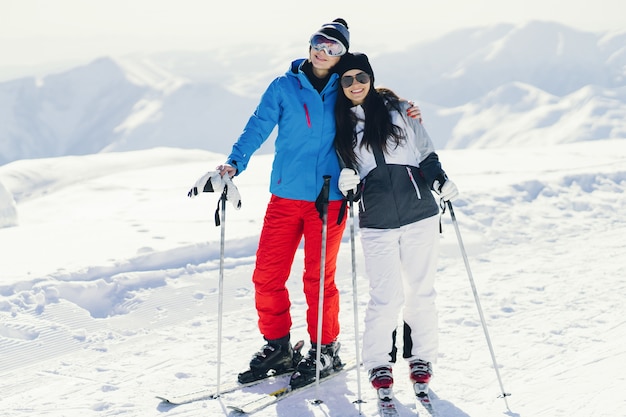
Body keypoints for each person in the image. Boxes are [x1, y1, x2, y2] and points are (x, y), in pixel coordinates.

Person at [216, 19, 421, 389]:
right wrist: (234, 162)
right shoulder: (283, 87)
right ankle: (278, 347)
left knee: (318, 279)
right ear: (309, 45)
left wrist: (405, 107)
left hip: (328, 200)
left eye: (333, 48)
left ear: (341, 54)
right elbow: (259, 124)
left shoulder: (344, 89)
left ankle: (326, 349)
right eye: (318, 43)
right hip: (284, 195)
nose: (323, 52)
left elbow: (373, 97)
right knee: (266, 276)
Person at [333, 52, 459, 399]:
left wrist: (441, 181)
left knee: (421, 292)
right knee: (385, 297)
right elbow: (350, 176)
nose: (355, 84)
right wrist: (349, 183)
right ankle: (378, 363)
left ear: (371, 78)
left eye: (361, 77)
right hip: (377, 222)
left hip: (420, 213)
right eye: (347, 80)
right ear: (341, 86)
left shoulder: (400, 110)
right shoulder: (341, 125)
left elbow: (425, 153)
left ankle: (421, 358)